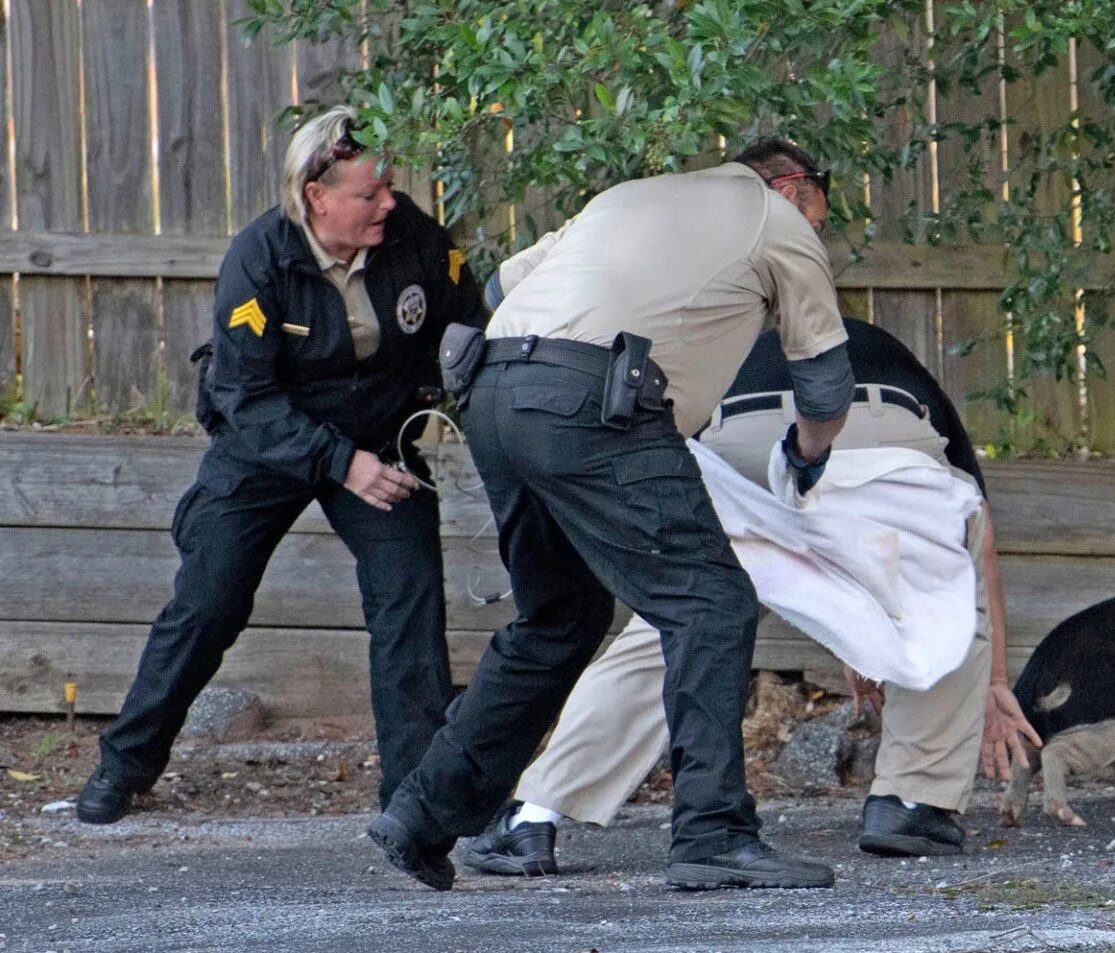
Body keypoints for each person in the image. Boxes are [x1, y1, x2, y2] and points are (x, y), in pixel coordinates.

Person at [366, 140, 855, 892]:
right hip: (593, 402)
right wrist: (808, 456)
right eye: (823, 208)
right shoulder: (773, 217)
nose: (822, 229)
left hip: (494, 391)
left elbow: (500, 284)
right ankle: (713, 832)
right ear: (794, 183)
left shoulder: (632, 197)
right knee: (712, 600)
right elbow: (823, 384)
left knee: (560, 615)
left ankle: (420, 814)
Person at [460, 317, 1042, 876]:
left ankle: (535, 813)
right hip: (881, 430)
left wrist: (858, 638)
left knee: (679, 620)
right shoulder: (893, 360)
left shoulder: (734, 351)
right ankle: (914, 801)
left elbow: (813, 537)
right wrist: (991, 682)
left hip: (735, 438)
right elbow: (967, 532)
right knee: (948, 556)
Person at [75, 106, 485, 825]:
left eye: (388, 186)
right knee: (209, 599)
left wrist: (440, 395)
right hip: (267, 442)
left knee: (408, 594)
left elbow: (464, 322)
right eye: (369, 193)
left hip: (376, 436)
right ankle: (126, 763)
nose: (388, 201)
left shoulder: (413, 238)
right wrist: (337, 460)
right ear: (315, 197)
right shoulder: (259, 258)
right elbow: (244, 395)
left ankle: (415, 800)